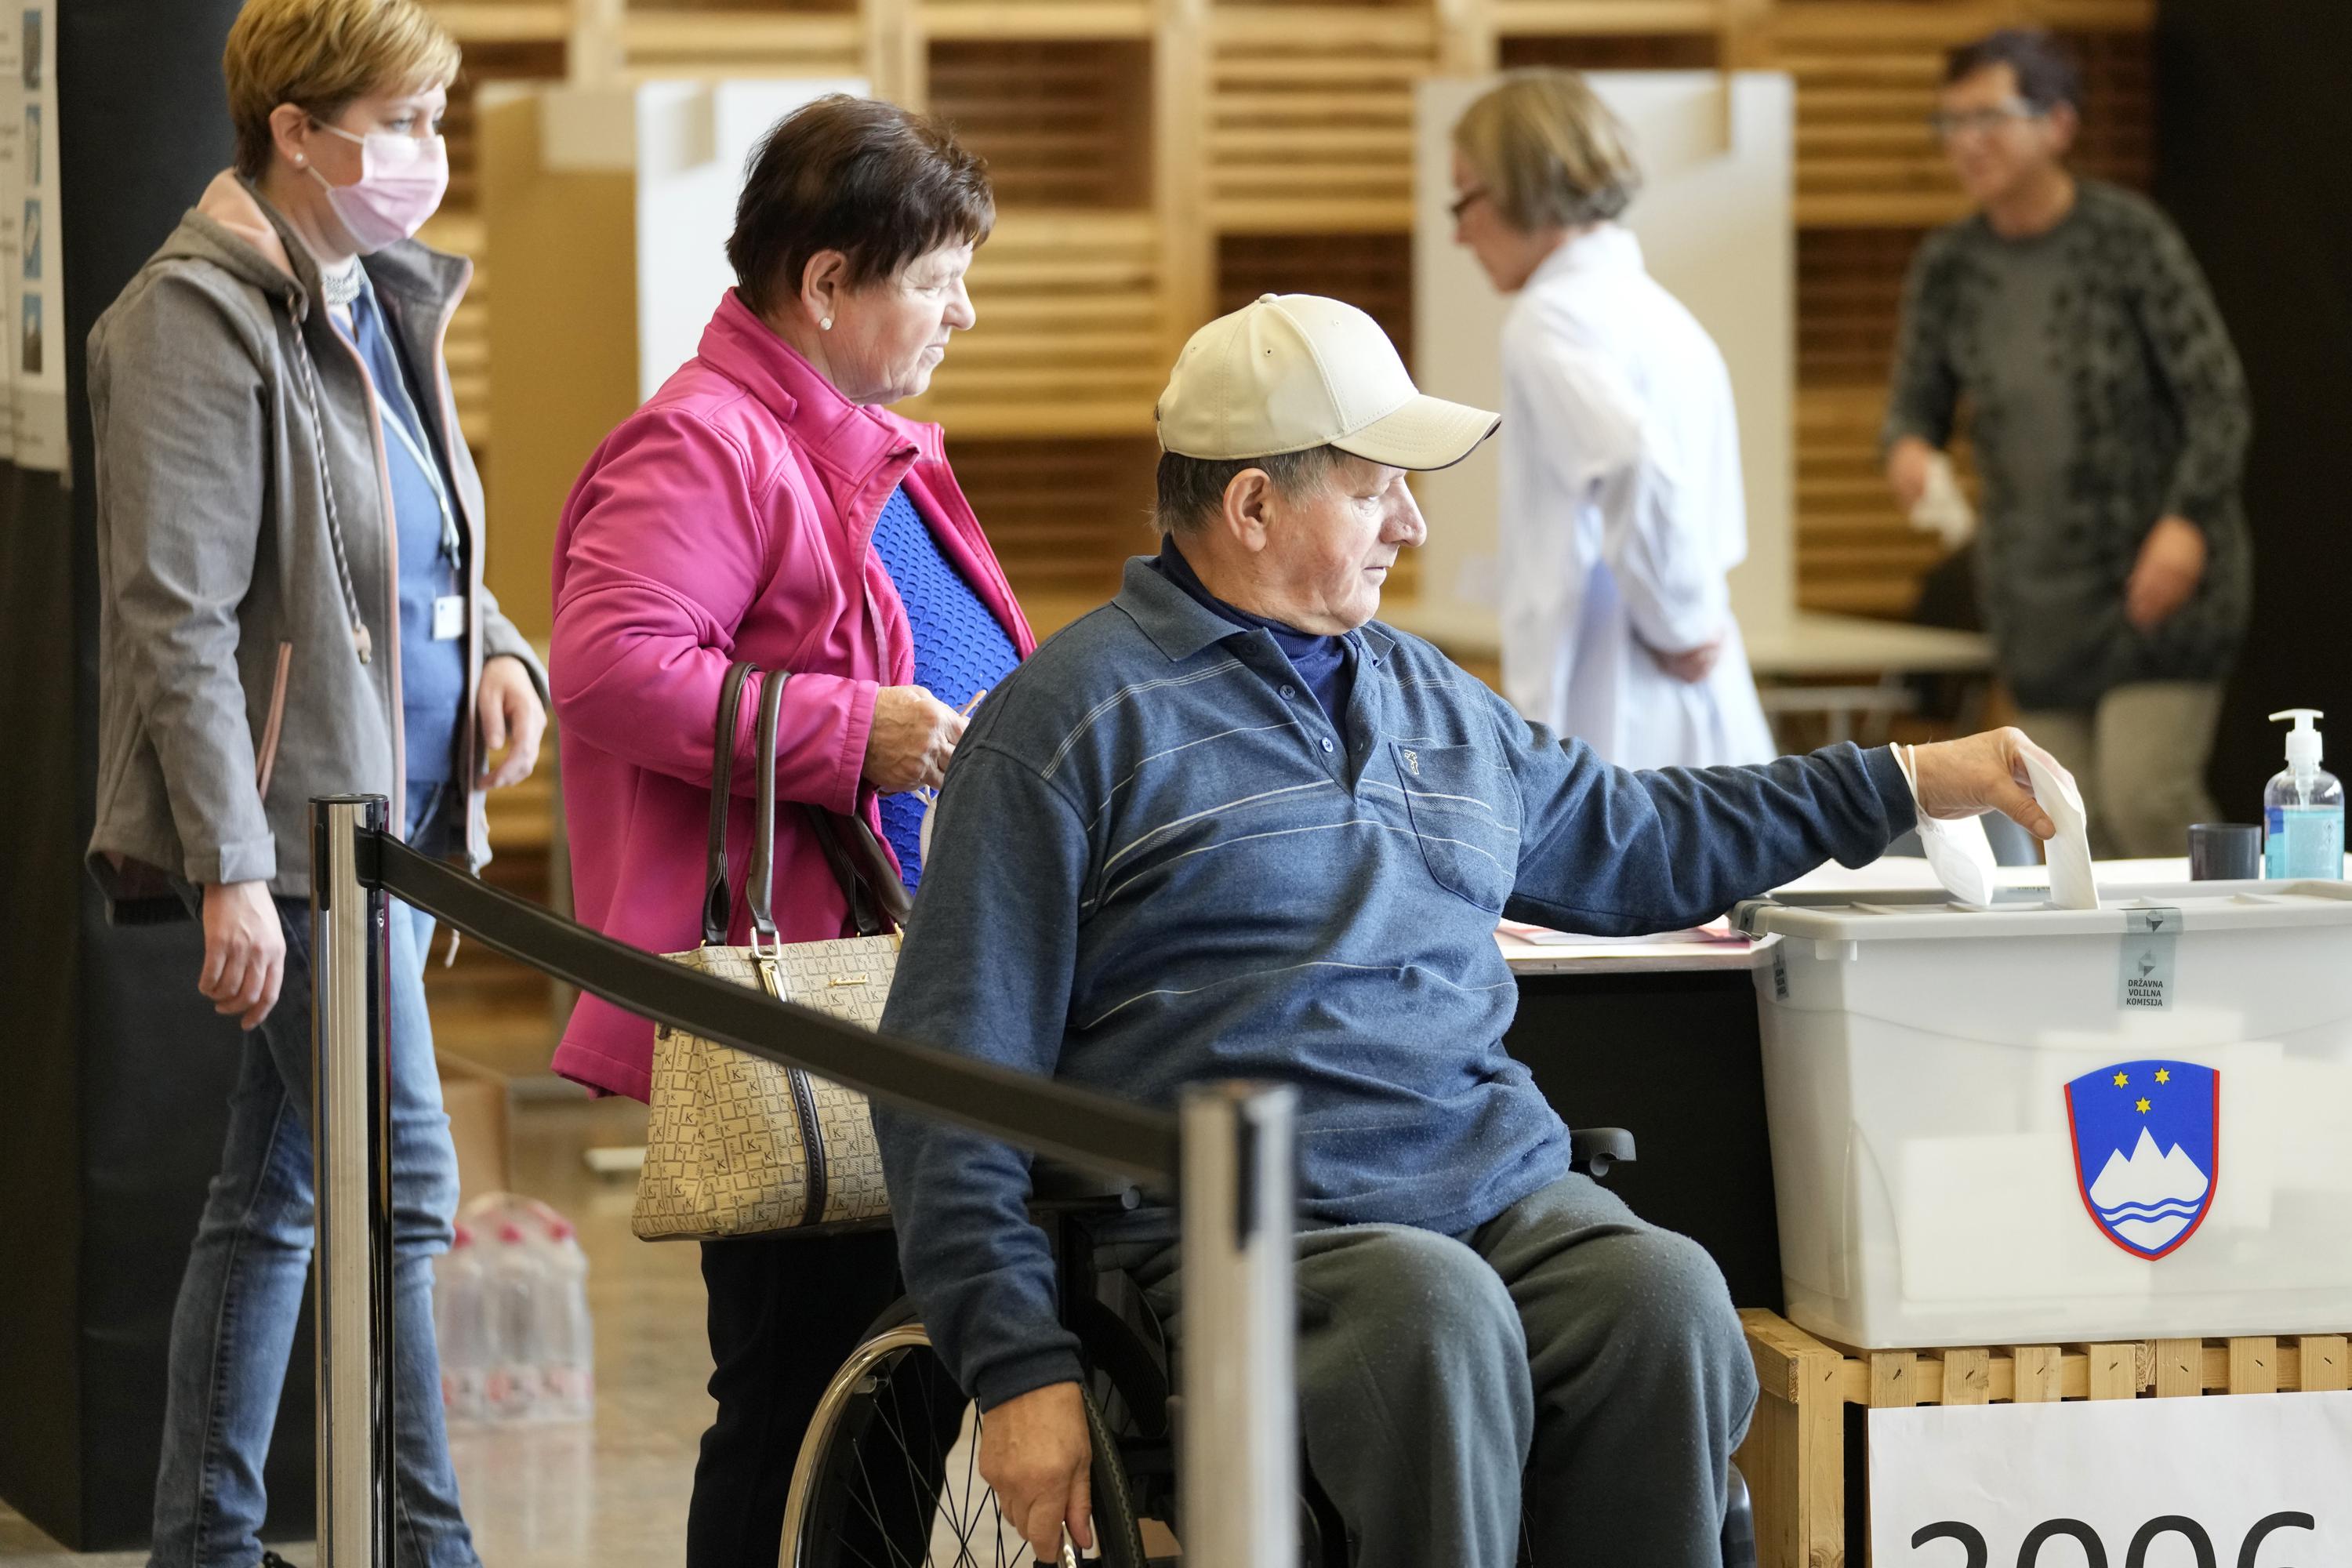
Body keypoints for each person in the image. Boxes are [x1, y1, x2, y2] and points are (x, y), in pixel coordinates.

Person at [873, 293, 2062, 1566]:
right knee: (1432, 1320)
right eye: (1377, 487)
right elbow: (947, 1081)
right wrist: (1018, 1366)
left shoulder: (1429, 694)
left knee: (1666, 1300)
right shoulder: (1064, 728)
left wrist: (1899, 783)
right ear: (1254, 507)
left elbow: (1640, 839)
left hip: (1491, 1190)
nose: (1414, 522)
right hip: (1235, 1238)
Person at [85, 0, 549, 1563]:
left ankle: (205, 1540)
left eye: (435, 120)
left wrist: (499, 653)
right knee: (404, 1181)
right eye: (402, 122)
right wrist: (228, 860)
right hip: (300, 840)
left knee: (276, 1187)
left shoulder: (369, 293)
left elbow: (419, 540)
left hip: (401, 825)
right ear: (297, 128)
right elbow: (178, 617)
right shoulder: (188, 320)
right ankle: (429, 1540)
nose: (428, 154)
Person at [546, 96, 1033, 1568]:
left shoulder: (858, 436)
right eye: (939, 277)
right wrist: (846, 729)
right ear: (829, 284)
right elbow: (613, 665)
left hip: (919, 987)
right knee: (800, 1398)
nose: (966, 308)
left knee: (889, 1388)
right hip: (815, 1005)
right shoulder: (704, 442)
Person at [1884, 29, 2252, 857]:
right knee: (2063, 824)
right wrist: (1908, 447)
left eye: (1990, 117)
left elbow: (2217, 397)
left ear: (2057, 123)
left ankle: (2211, 979)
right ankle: (2116, 991)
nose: (1966, 143)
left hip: (2159, 587)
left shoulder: (2130, 238)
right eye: (1951, 123)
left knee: (2144, 796)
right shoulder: (1951, 265)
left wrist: (2188, 521)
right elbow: (1913, 406)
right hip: (2037, 601)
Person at [1452, 69, 1776, 769]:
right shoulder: (1656, 312)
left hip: (1627, 698)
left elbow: (1633, 465)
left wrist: (1682, 626)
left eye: (1465, 199)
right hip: (1682, 688)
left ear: (1519, 186)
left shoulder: (1548, 320)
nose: (1460, 233)